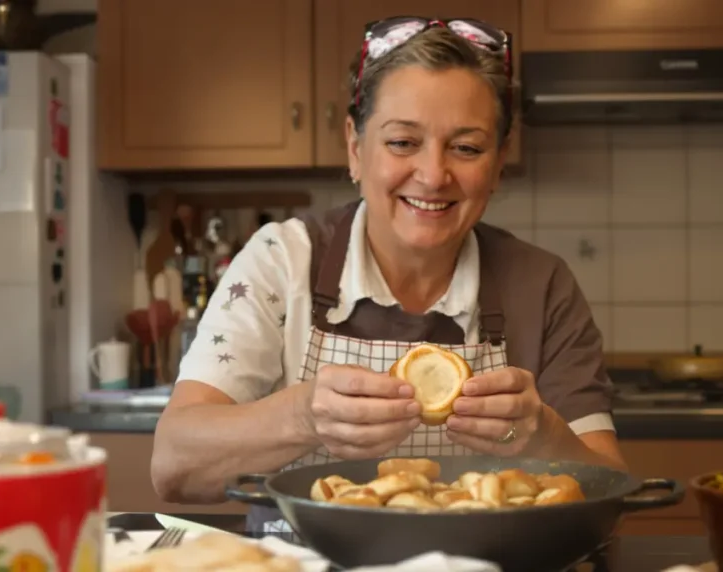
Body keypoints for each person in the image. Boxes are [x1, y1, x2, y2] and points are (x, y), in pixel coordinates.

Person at [151, 16, 626, 531]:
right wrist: (304, 417)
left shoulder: (541, 286)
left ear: (499, 159)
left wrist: (542, 437)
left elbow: (611, 496)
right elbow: (174, 466)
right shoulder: (281, 262)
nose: (433, 175)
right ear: (355, 147)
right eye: (403, 142)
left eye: (466, 148)